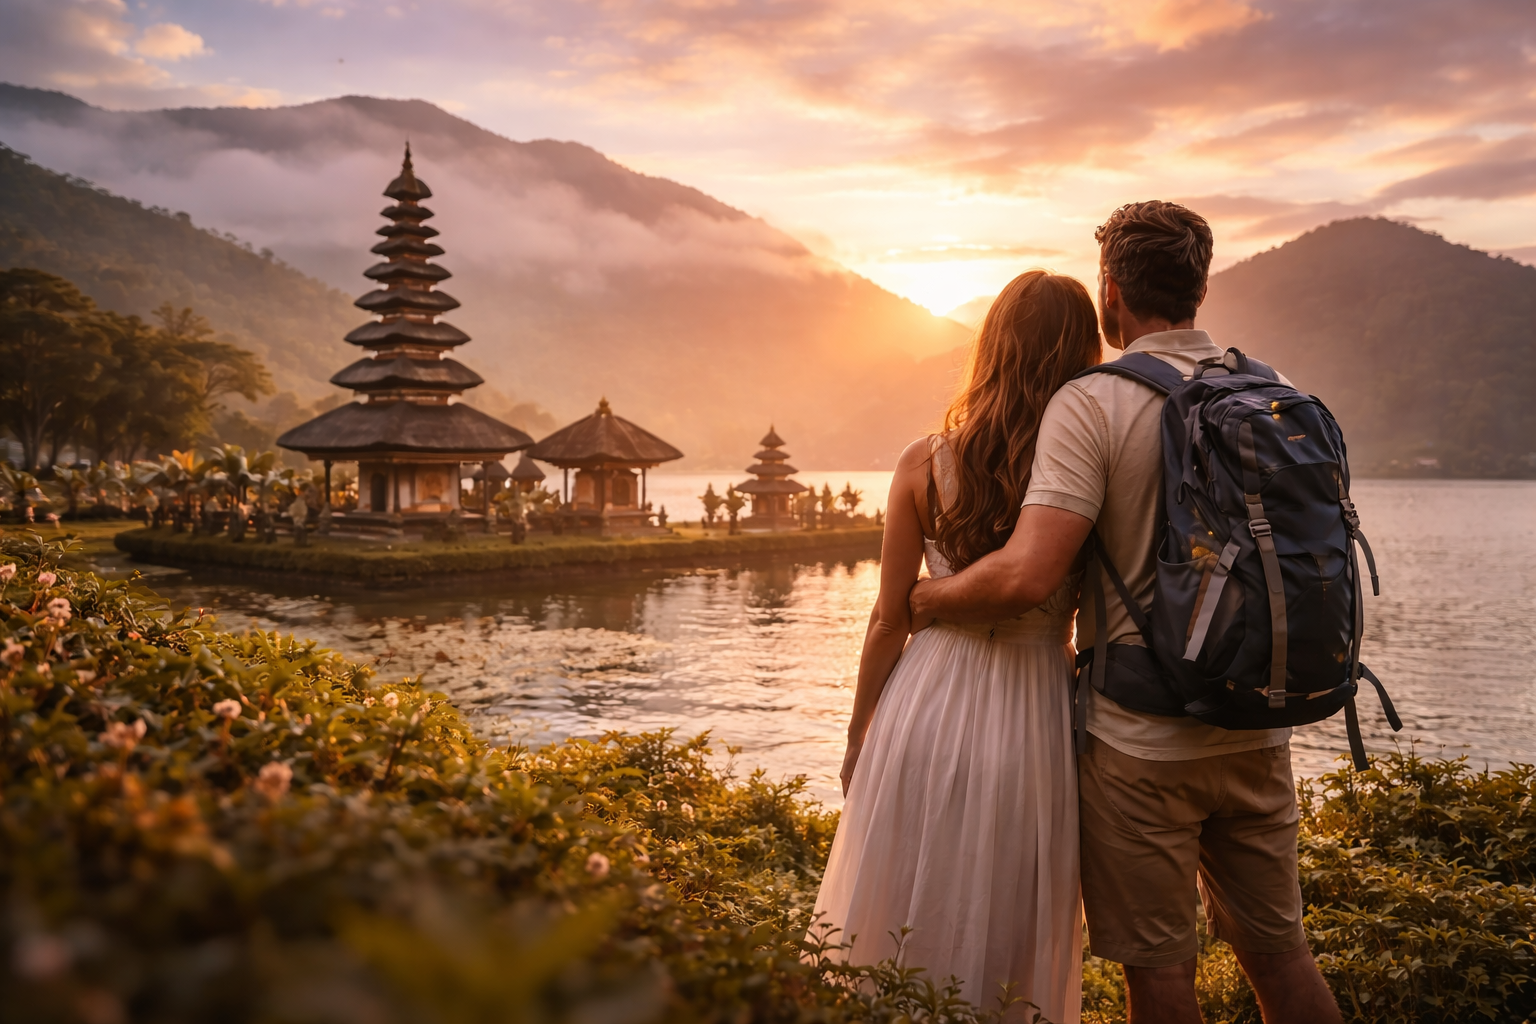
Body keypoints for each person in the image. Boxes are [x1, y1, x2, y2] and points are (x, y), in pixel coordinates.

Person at [910, 201, 1343, 1024]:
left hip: (1141, 740)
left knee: (1162, 975)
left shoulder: (1094, 402)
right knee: (1282, 958)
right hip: (1258, 725)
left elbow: (1026, 577)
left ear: (1111, 290)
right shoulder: (1273, 388)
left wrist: (925, 597)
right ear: (1200, 285)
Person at [811, 270, 1102, 1023]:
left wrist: (858, 732)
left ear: (993, 347)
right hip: (1033, 704)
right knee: (1005, 909)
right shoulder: (1088, 468)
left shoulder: (923, 461)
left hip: (924, 701)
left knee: (905, 898)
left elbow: (887, 619)